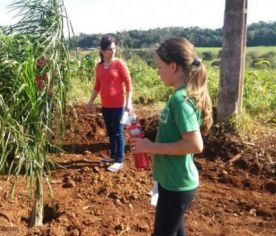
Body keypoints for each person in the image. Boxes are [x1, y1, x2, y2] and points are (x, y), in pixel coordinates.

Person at [131, 38, 213, 235]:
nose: (157, 71)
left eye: (159, 67)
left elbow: (195, 145)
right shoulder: (179, 96)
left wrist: (150, 147)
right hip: (173, 182)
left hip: (177, 185)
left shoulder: (180, 100)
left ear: (173, 67)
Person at [86, 36, 133, 172]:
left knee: (118, 132)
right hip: (106, 106)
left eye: (113, 48)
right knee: (111, 131)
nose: (112, 52)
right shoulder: (99, 66)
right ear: (102, 51)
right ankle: (113, 156)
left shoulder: (119, 64)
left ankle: (120, 159)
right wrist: (90, 101)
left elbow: (129, 84)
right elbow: (97, 86)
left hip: (119, 105)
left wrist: (128, 102)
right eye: (109, 49)